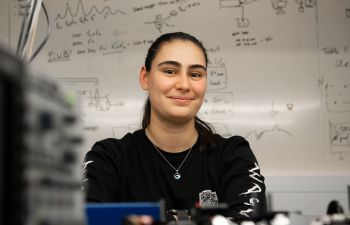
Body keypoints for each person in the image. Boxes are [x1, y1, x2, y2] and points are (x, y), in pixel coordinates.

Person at [82, 32, 267, 221]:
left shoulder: (234, 156)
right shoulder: (108, 159)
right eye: (170, 71)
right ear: (145, 77)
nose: (184, 84)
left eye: (195, 74)